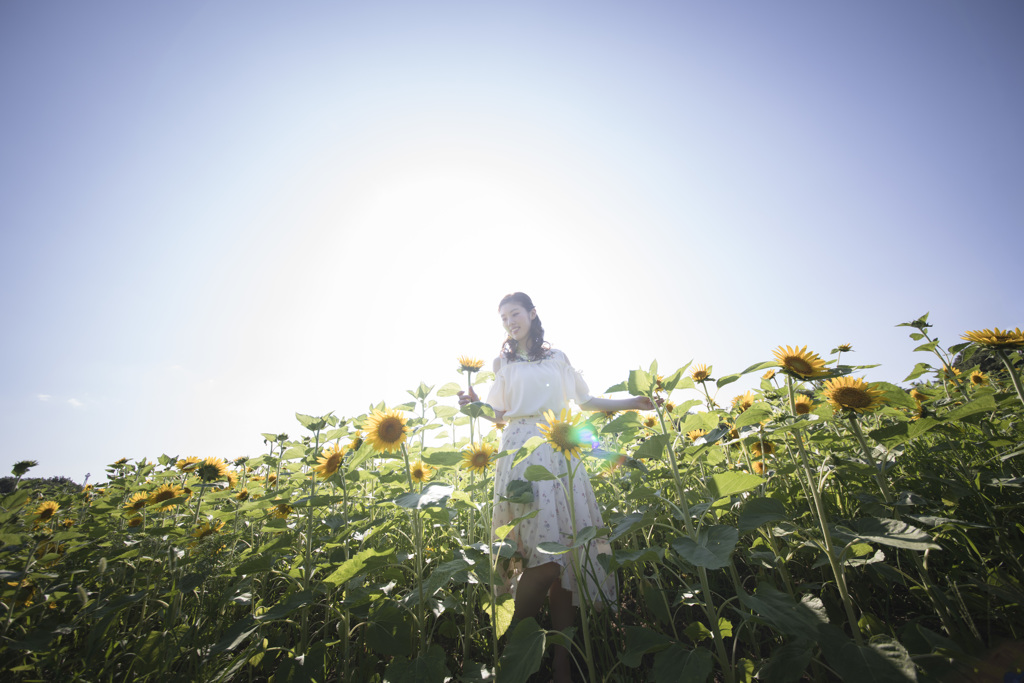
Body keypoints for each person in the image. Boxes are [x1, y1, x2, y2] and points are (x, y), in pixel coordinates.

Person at [459, 291, 654, 682]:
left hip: (561, 450)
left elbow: (585, 401)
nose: (509, 322)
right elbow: (497, 415)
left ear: (532, 314)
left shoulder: (558, 358)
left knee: (566, 560)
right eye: (503, 318)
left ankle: (562, 667)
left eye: (514, 313)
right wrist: (473, 406)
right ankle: (521, 645)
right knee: (543, 560)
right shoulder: (503, 363)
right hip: (520, 453)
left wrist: (634, 401)